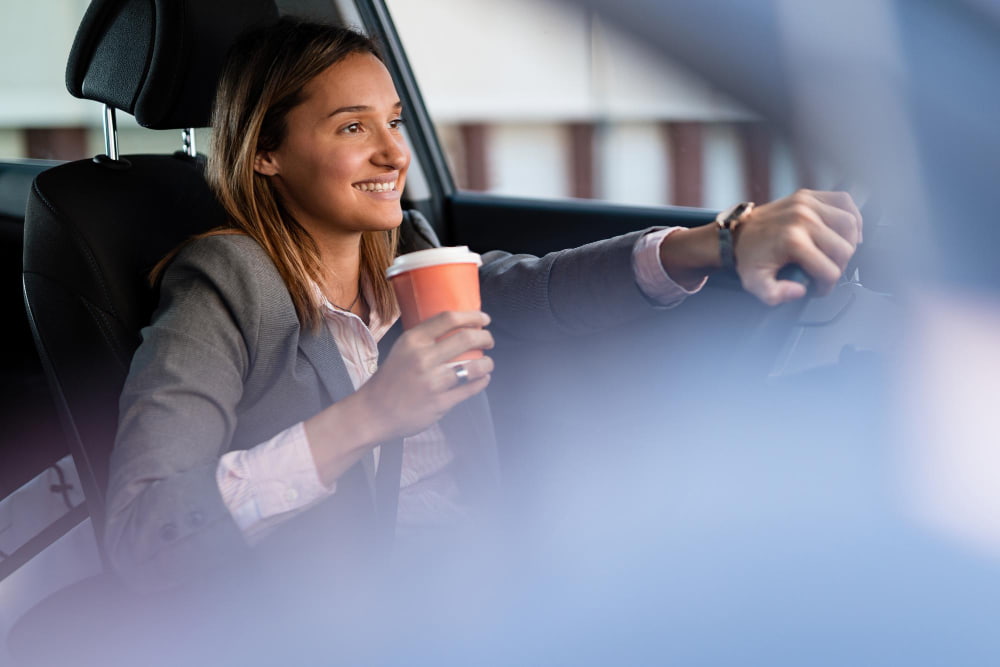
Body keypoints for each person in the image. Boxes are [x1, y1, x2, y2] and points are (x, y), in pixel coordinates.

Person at [103, 18, 862, 595]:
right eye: (352, 128)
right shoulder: (222, 281)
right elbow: (142, 531)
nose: (395, 154)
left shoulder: (407, 254)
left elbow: (542, 288)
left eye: (394, 121)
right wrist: (368, 416)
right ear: (265, 152)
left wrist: (720, 241)